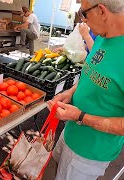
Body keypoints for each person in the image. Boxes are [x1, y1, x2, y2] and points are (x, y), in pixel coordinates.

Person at [48, 0, 124, 179]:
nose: (83, 21)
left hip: (90, 152)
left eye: (84, 13)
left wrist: (80, 116)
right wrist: (71, 92)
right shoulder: (104, 36)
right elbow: (91, 74)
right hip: (70, 132)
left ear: (102, 11)